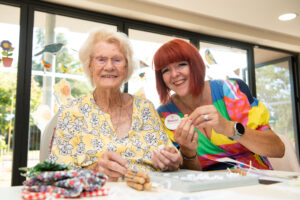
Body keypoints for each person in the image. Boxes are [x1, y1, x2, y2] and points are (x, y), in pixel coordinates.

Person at [49, 28, 182, 181]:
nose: (109, 66)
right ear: (90, 65)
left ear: (126, 67)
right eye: (101, 59)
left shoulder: (145, 108)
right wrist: (94, 170)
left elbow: (170, 157)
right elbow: (56, 175)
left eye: (117, 60)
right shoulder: (72, 112)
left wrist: (171, 161)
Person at [153, 39, 285, 171]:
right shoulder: (165, 115)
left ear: (195, 65)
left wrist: (229, 128)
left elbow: (278, 149)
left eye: (181, 65)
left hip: (258, 181)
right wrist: (188, 152)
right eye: (166, 70)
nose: (174, 74)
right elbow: (190, 173)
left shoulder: (231, 91)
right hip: (211, 188)